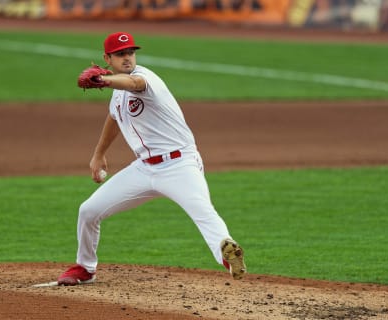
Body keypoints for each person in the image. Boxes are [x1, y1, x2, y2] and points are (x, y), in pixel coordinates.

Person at [57, 32, 246, 286]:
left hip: (180, 165)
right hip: (144, 169)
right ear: (107, 58)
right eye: (120, 54)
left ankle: (227, 255)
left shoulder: (145, 78)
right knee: (88, 211)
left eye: (130, 53)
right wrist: (99, 154)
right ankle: (85, 268)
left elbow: (134, 84)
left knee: (203, 212)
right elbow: (114, 118)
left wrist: (104, 80)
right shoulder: (117, 90)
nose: (127, 58)